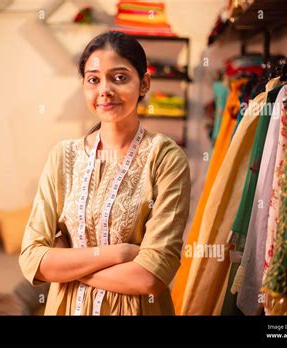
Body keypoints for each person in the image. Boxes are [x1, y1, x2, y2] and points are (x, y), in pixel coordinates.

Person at [19, 31, 191, 315]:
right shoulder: (64, 156)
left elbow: (151, 277)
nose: (105, 90)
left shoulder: (165, 158)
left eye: (120, 77)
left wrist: (66, 265)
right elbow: (32, 260)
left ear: (144, 83)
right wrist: (119, 254)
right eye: (94, 79)